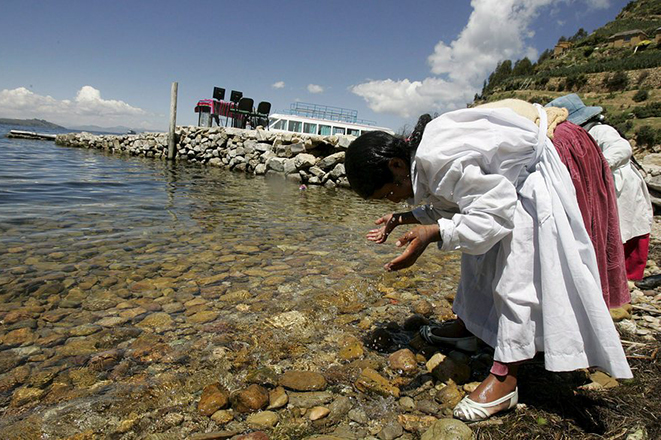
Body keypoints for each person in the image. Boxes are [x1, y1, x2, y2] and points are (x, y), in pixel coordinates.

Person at [344, 100, 632, 422]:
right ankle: (473, 327)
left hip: (544, 166)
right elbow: (459, 201)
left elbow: (493, 213)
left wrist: (431, 234)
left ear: (396, 164)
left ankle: (505, 378)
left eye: (387, 195)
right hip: (514, 181)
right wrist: (404, 218)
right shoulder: (426, 153)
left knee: (518, 272)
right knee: (477, 259)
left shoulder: (438, 158)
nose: (394, 199)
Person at [546, 94, 653, 281]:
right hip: (602, 186)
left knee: (627, 227)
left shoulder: (601, 131)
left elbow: (622, 149)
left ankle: (629, 278)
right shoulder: (579, 136)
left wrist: (595, 166)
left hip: (621, 185)